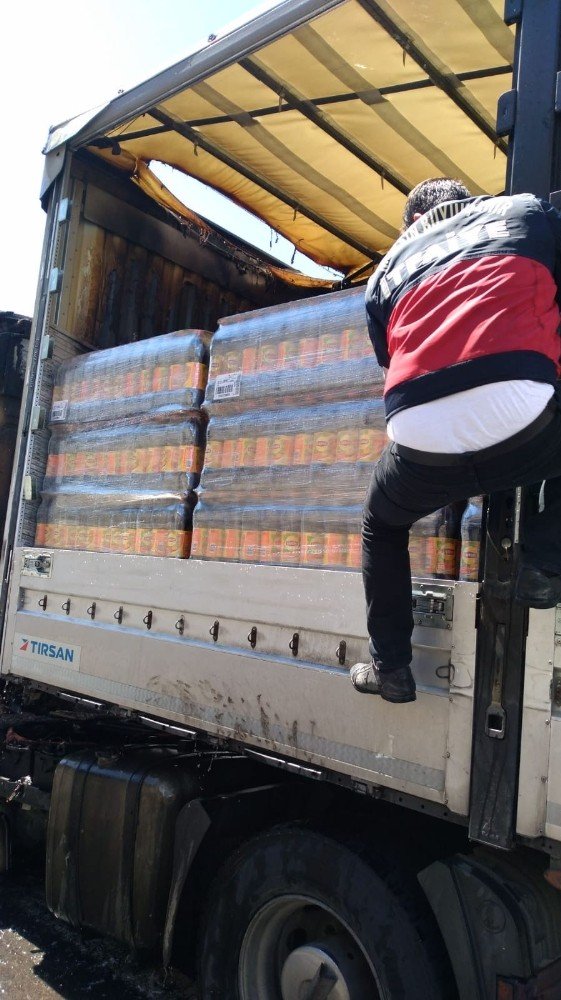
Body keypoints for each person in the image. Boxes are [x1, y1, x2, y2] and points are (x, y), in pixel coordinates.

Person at [351, 177, 561, 704]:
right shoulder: (526, 212)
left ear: (411, 225)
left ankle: (391, 668)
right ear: (467, 200)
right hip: (523, 416)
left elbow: (395, 356)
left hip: (419, 435)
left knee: (383, 521)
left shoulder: (385, 272)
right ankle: (543, 563)